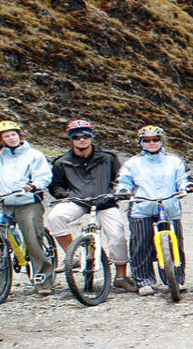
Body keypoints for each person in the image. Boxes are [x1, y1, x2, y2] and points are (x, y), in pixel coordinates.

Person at [46, 120, 132, 293]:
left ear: (92, 137)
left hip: (105, 202)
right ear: (71, 139)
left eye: (86, 136)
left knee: (117, 236)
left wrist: (119, 192)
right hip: (78, 201)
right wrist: (67, 195)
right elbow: (55, 186)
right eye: (77, 137)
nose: (82, 140)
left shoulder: (108, 158)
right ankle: (74, 255)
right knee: (54, 217)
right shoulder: (61, 162)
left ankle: (121, 277)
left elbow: (120, 179)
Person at [115, 125, 193, 296]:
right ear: (141, 142)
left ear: (161, 141)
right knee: (140, 244)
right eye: (147, 140)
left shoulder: (174, 161)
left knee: (175, 244)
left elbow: (184, 178)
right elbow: (123, 182)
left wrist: (187, 186)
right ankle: (144, 281)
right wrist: (123, 191)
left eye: (155, 139)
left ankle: (175, 279)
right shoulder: (132, 163)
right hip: (142, 206)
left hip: (169, 205)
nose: (151, 143)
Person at [0, 121, 54, 294]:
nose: (11, 138)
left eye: (13, 134)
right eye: (6, 136)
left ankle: (43, 281)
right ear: (0, 140)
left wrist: (33, 186)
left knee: (33, 240)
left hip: (28, 203)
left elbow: (44, 177)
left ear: (20, 135)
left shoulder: (34, 155)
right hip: (3, 203)